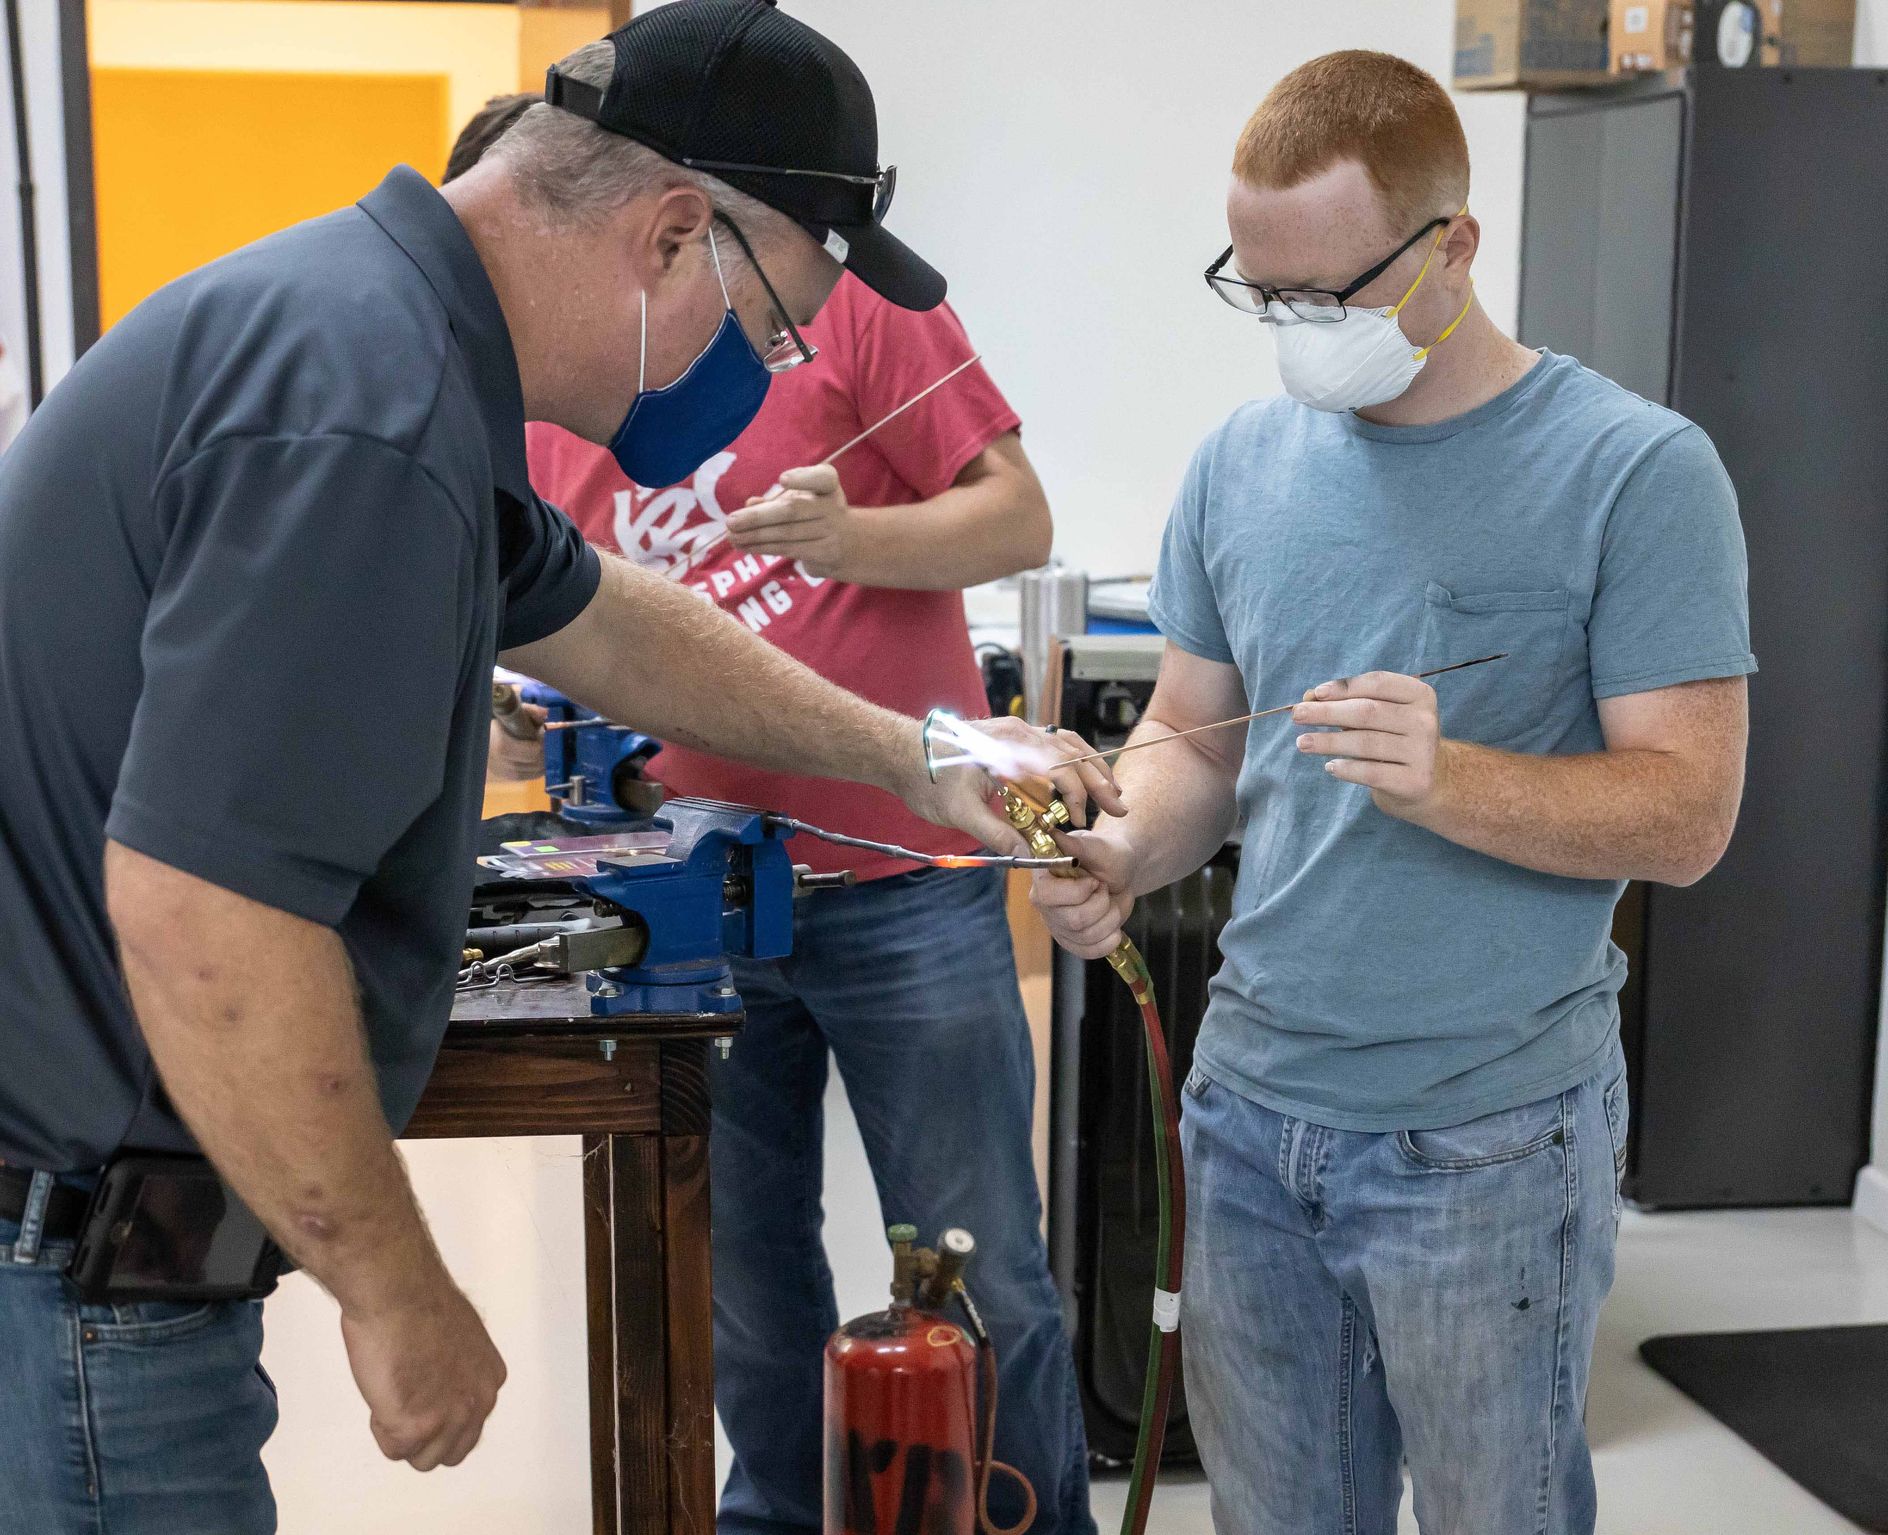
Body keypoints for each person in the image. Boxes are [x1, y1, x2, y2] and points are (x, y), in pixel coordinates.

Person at [0, 7, 1117, 1532]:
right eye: (772, 328)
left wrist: (919, 756)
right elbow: (206, 917)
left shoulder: (388, 338)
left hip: (105, 1244)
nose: (763, 371)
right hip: (77, 1264)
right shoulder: (369, 413)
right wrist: (398, 1291)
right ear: (672, 240)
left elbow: (605, 617)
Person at [1030, 51, 1753, 1535]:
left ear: (1453, 251)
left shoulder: (1636, 472)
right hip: (1245, 1120)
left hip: (1486, 1143)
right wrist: (1120, 844)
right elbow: (1198, 740)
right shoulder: (1241, 463)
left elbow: (1688, 817)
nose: (1296, 334)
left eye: (1330, 298)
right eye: (1263, 292)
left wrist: (1453, 780)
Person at [447, 112, 1092, 1531]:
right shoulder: (540, 391)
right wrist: (527, 714)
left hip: (906, 882)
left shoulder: (851, 299)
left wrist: (850, 538)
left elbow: (1019, 520)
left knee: (988, 1280)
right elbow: (563, 630)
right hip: (690, 901)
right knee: (742, 1282)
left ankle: (1026, 1517)